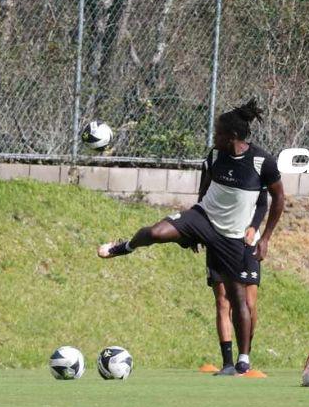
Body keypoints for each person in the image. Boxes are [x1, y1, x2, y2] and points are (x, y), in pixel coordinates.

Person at [98, 101, 284, 375]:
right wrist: (194, 230)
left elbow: (278, 199)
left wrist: (264, 237)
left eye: (218, 133)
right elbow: (203, 191)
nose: (214, 137)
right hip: (203, 217)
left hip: (232, 237)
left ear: (232, 136)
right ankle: (124, 247)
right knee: (156, 232)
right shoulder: (214, 156)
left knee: (238, 299)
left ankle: (242, 361)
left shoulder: (262, 162)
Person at [206, 188, 266, 376]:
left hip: (247, 243)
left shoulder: (258, 171)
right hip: (217, 242)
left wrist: (256, 230)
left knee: (248, 303)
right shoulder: (213, 169)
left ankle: (244, 356)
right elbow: (204, 197)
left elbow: (263, 203)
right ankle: (228, 363)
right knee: (223, 301)